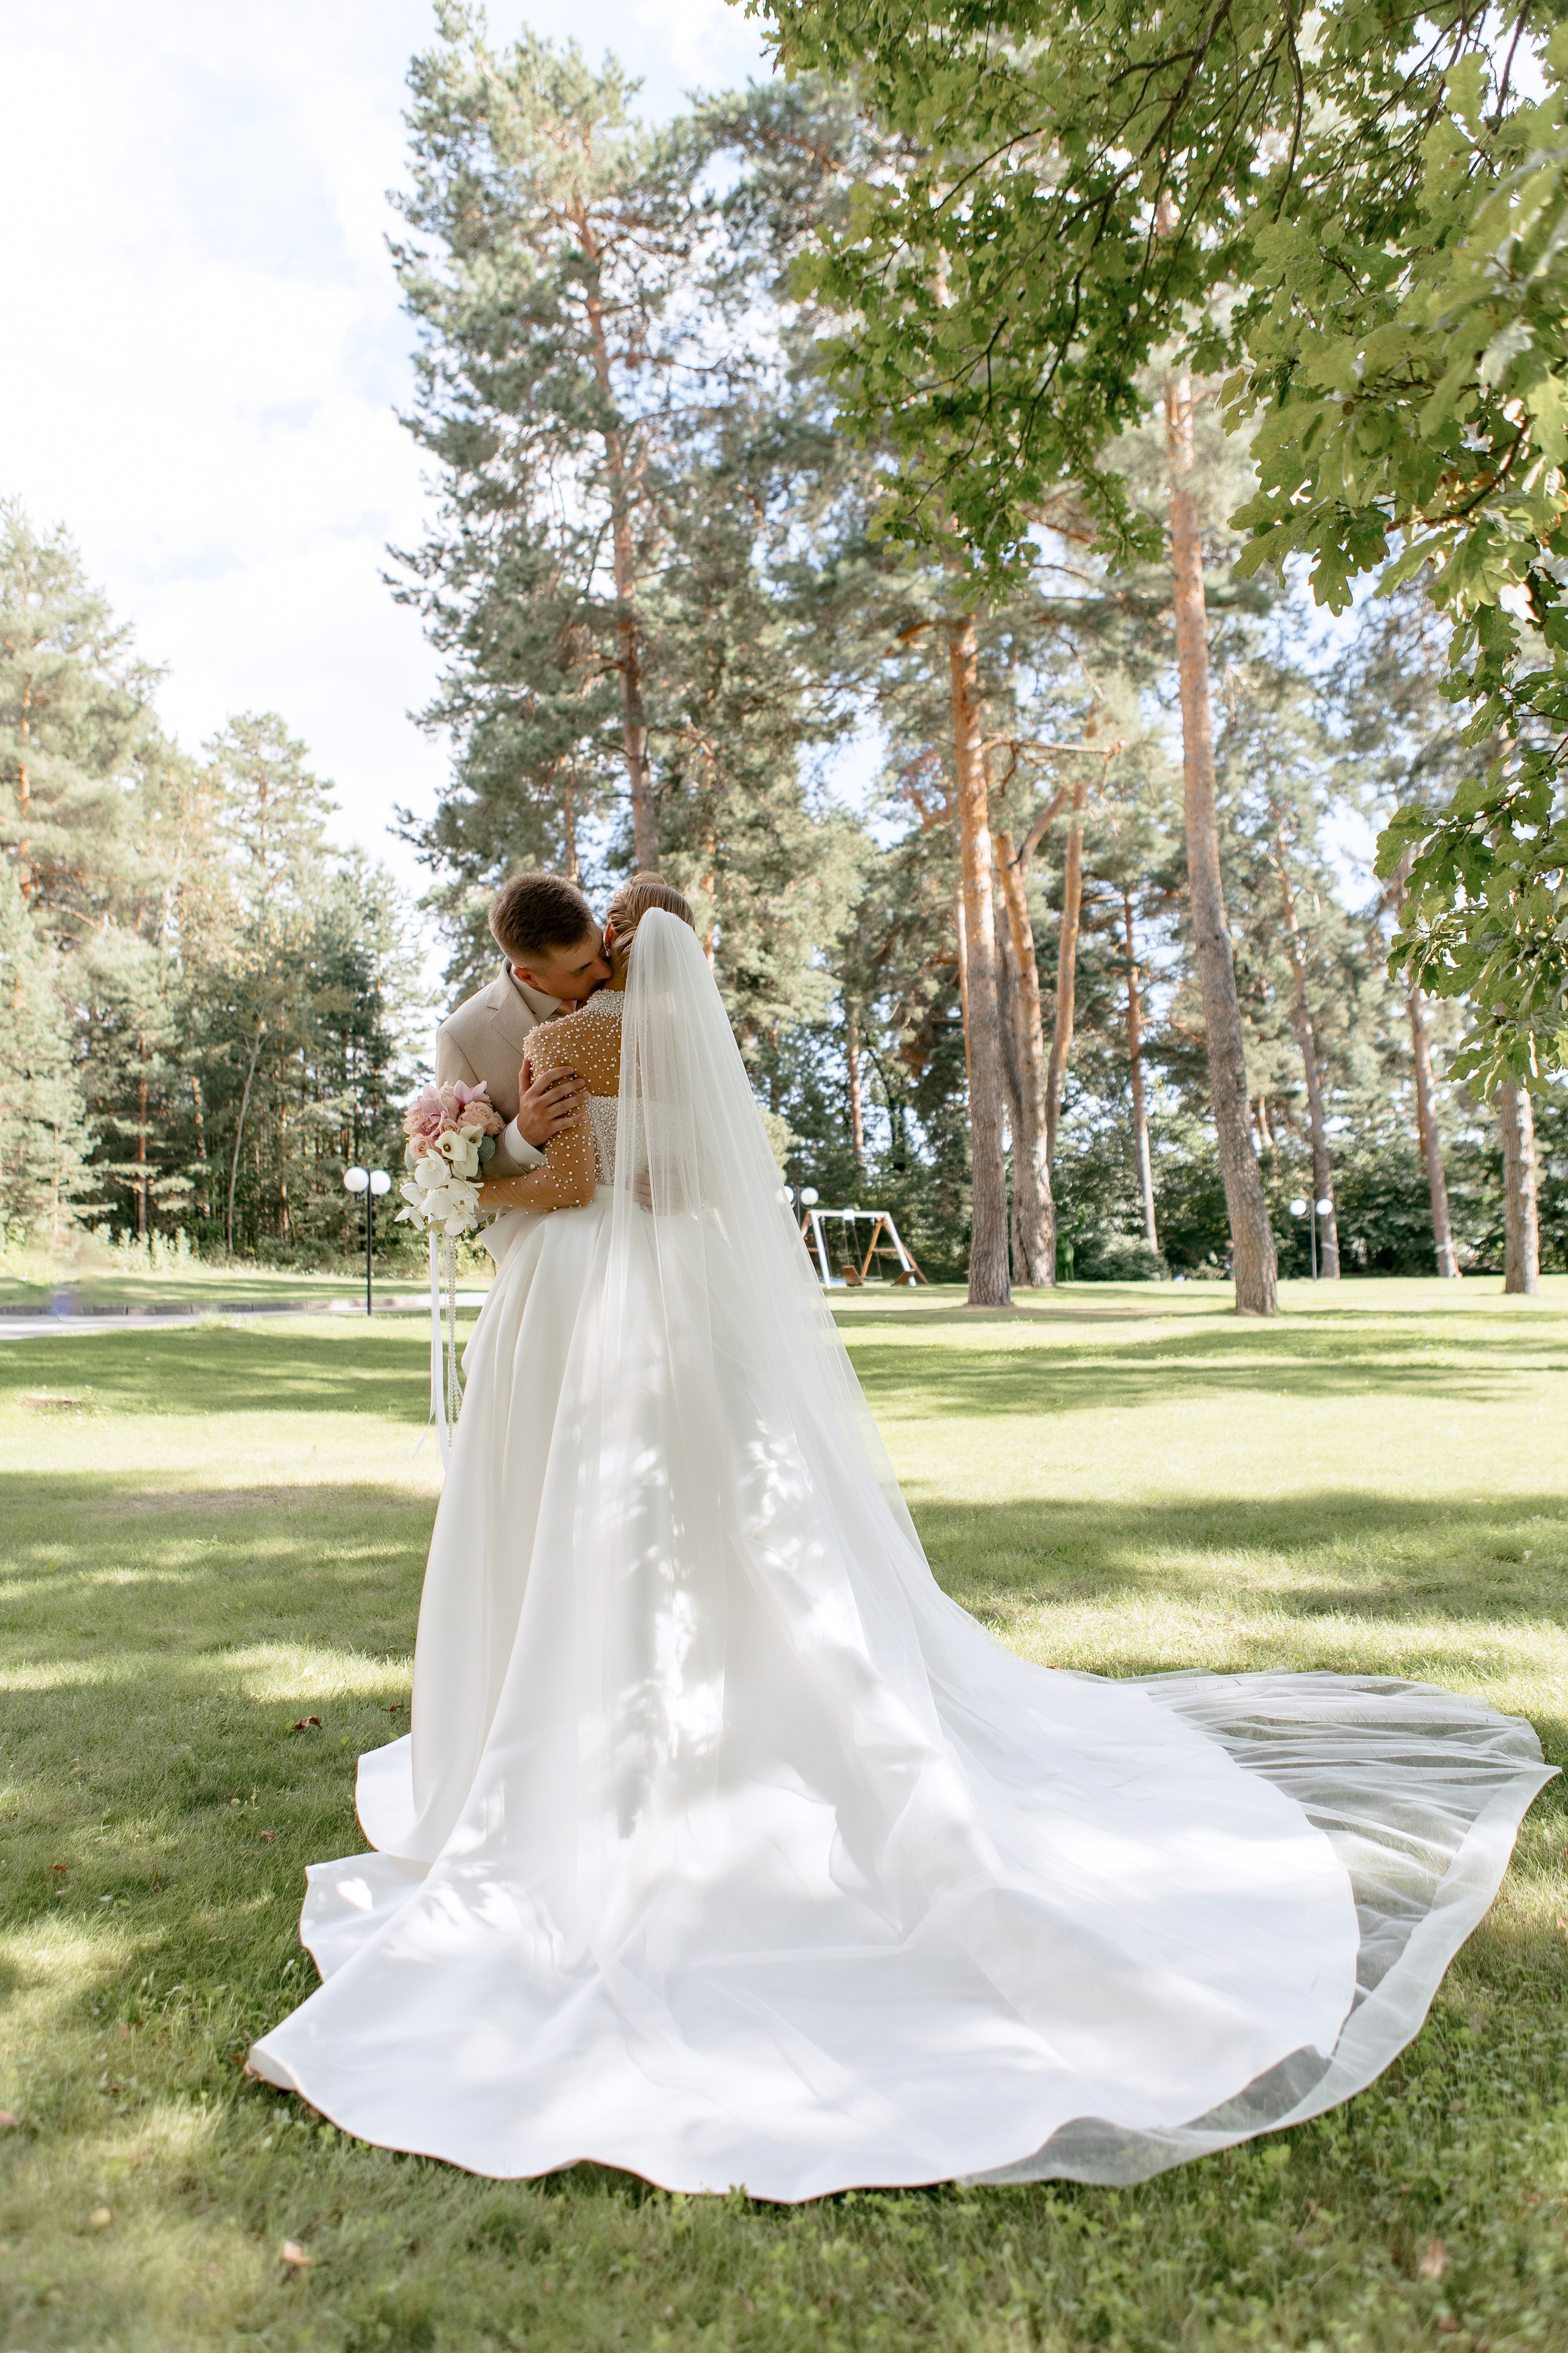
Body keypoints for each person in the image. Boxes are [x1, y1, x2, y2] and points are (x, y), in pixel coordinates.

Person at [249, 880, 1555, 2203]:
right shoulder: (478, 1030)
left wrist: (608, 1157)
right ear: (523, 963)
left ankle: (722, 1740)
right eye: (569, 974)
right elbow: (487, 1195)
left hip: (666, 1307)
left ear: (614, 938)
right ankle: (548, 1734)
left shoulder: (644, 1008)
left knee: (727, 1532)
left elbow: (709, 1170)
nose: (589, 987)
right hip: (555, 1314)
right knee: (551, 1535)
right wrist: (511, 1146)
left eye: (601, 963)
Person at [433, 871, 612, 1176]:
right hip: (544, 1222)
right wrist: (522, 1136)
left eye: (599, 949)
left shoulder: (628, 975)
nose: (604, 971)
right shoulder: (462, 1038)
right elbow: (453, 1185)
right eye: (582, 969)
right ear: (527, 975)